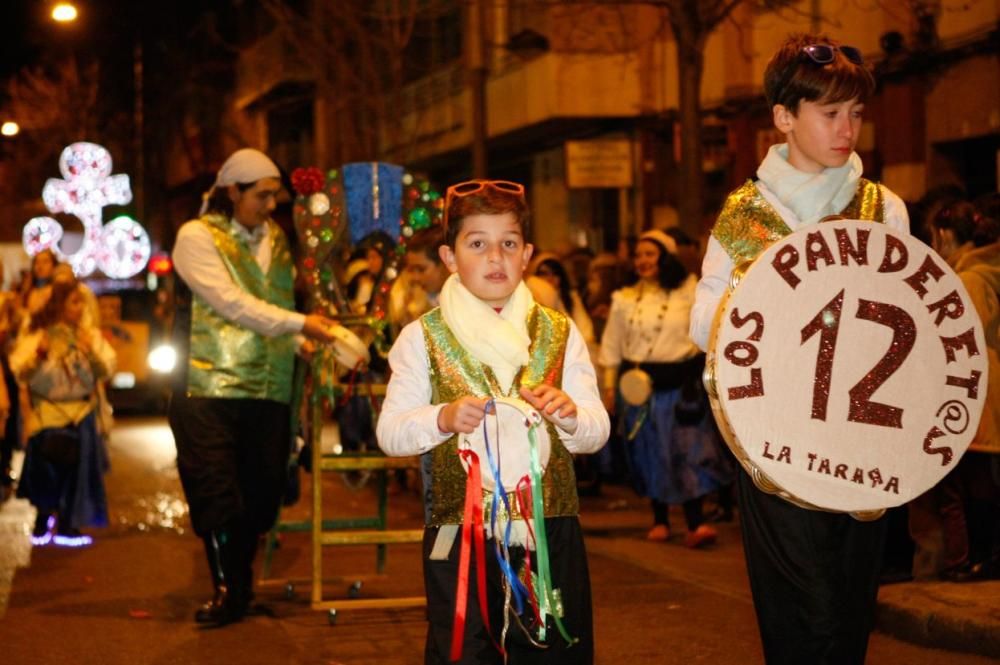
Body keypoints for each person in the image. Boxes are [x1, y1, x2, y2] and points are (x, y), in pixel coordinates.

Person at [689, 35, 910, 665]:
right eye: (830, 113)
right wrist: (763, 300)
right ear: (785, 117)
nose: (847, 130)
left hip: (864, 440)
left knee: (848, 611)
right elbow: (702, 323)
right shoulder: (745, 214)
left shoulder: (883, 208)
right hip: (775, 445)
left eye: (857, 114)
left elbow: (914, 326)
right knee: (801, 615)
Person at [376, 179, 609, 664]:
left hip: (549, 524)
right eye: (477, 244)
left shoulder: (560, 332)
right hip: (458, 529)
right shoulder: (422, 338)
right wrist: (442, 416)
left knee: (555, 645)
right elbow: (391, 432)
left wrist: (569, 416)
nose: (495, 258)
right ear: (449, 257)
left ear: (526, 254)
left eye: (508, 244)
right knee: (465, 648)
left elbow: (596, 432)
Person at [169, 148, 338, 626]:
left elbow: (272, 304)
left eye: (274, 195)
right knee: (217, 491)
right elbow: (231, 303)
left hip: (268, 390)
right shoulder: (196, 237)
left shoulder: (279, 241)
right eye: (261, 195)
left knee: (261, 495)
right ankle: (228, 590)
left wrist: (302, 343)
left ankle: (239, 584)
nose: (270, 204)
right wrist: (301, 323)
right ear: (232, 191)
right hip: (208, 388)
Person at [599, 229, 732, 547]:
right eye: (639, 255)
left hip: (680, 388)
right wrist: (608, 389)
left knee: (688, 451)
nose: (642, 260)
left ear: (665, 257)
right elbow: (612, 346)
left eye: (650, 254)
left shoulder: (689, 292)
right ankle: (659, 519)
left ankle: (695, 523)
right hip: (639, 390)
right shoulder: (624, 299)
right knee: (650, 452)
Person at [917, 200, 1000, 581]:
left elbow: (963, 339)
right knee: (979, 480)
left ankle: (973, 559)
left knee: (969, 485)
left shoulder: (967, 278)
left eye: (935, 237)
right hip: (985, 392)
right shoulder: (985, 270)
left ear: (947, 236)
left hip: (973, 393)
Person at [12, 277, 115, 546]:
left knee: (77, 475)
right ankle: (44, 517)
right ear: (59, 305)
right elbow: (21, 372)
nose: (80, 308)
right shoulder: (39, 335)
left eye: (81, 302)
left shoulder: (88, 335)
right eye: (74, 302)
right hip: (49, 413)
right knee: (47, 471)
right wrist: (40, 356)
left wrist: (89, 353)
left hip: (81, 413)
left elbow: (106, 370)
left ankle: (70, 523)